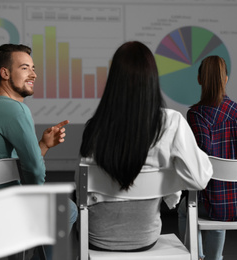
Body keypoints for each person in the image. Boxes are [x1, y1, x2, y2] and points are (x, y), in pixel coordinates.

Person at [78, 41, 213, 252]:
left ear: (113, 81)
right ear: (152, 79)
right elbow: (199, 178)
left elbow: (82, 191)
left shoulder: (95, 126)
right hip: (144, 238)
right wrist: (170, 178)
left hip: (95, 237)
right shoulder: (171, 122)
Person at [0, 44, 77, 259]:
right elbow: (34, 172)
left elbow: (3, 167)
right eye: (25, 68)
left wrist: (42, 146)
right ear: (5, 73)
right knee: (67, 209)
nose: (33, 74)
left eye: (33, 68)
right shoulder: (16, 109)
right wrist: (37, 198)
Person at [178, 56, 237, 260]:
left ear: (200, 79)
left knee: (186, 207)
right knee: (219, 190)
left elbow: (202, 160)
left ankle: (195, 256)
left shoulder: (197, 115)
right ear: (225, 79)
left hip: (215, 203)